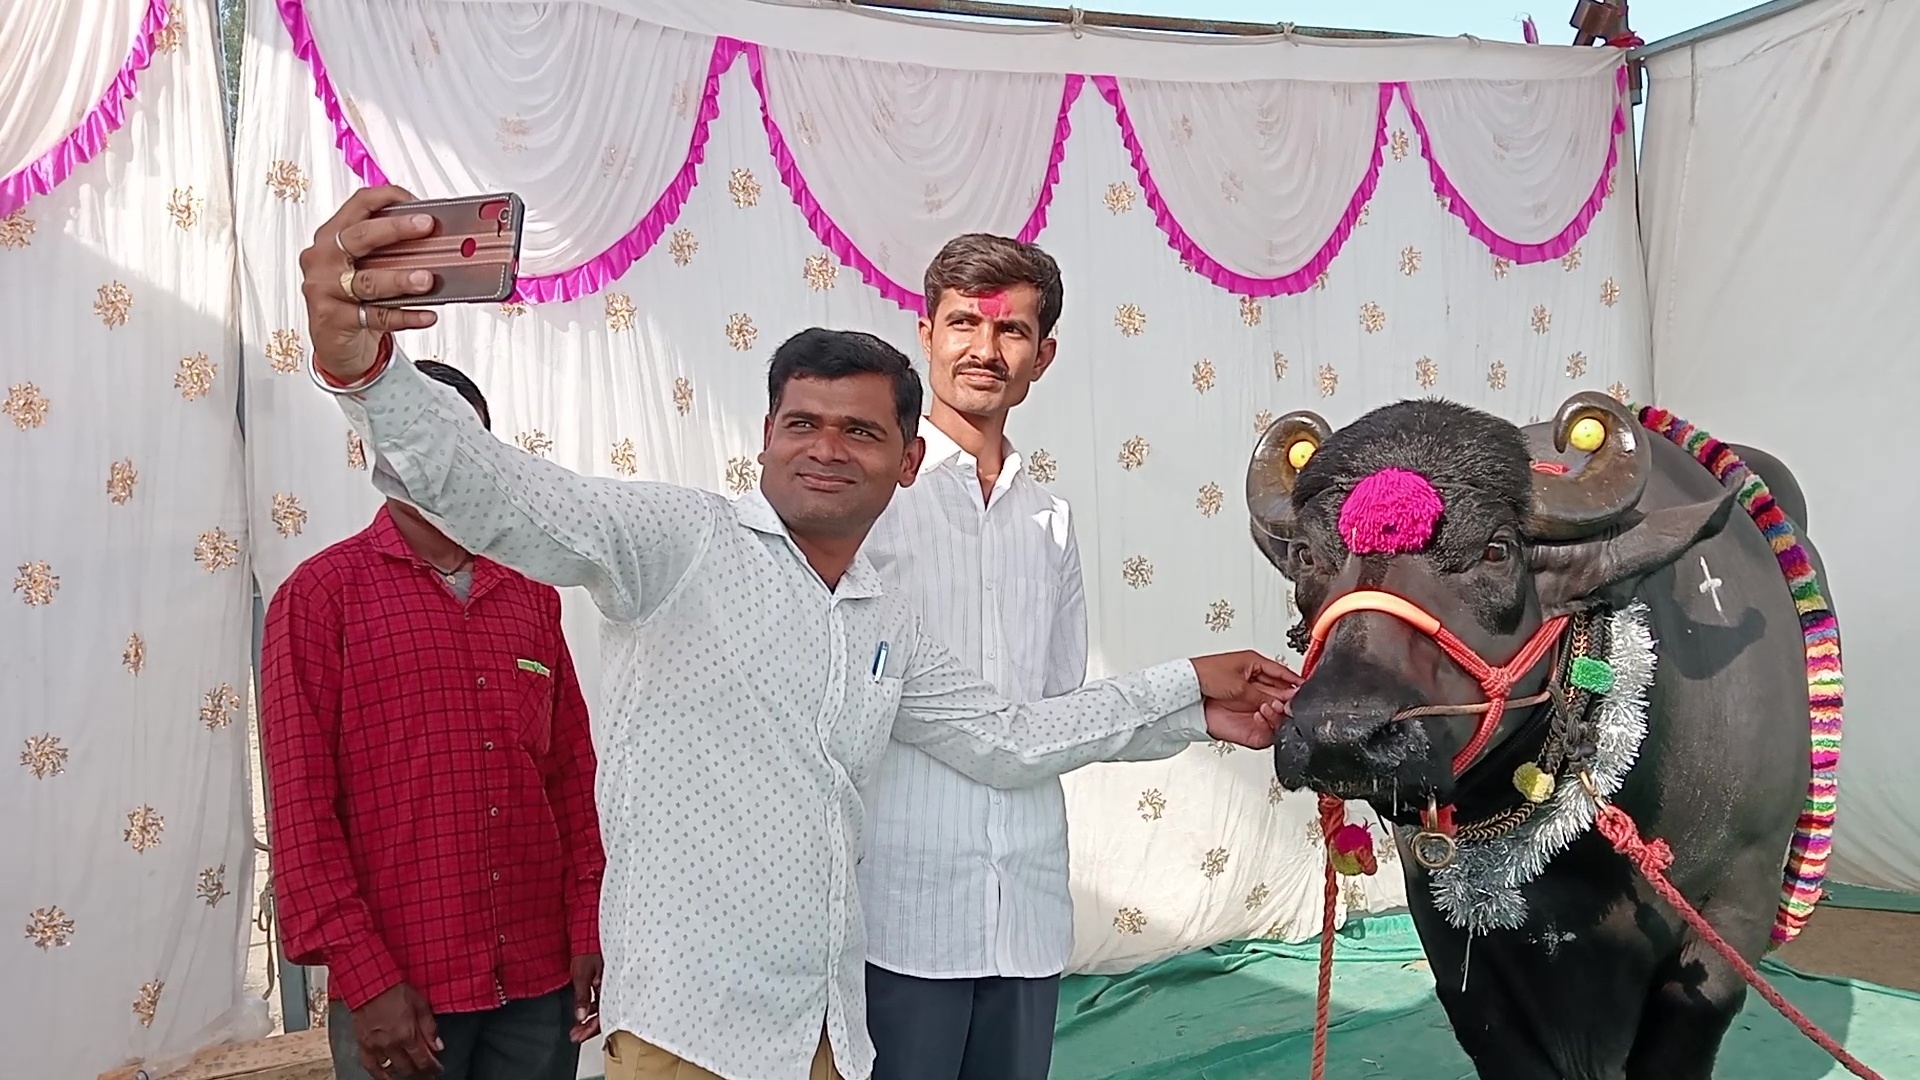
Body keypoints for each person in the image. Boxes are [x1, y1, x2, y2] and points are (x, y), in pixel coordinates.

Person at [297, 186, 1301, 1080]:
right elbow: (502, 494)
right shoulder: (680, 544)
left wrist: (1194, 698)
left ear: (905, 463)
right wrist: (366, 370)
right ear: (765, 441)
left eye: (859, 431)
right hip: (690, 1040)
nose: (827, 448)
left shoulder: (885, 617)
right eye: (803, 424)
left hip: (831, 1035)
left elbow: (1012, 735)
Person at [858, 234, 1163, 1080]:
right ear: (925, 334)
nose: (984, 351)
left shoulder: (1049, 520)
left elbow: (1062, 709)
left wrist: (1205, 712)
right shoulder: (876, 498)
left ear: (1044, 356)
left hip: (1025, 906)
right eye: (963, 323)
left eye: (1012, 332)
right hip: (901, 908)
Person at [260, 359, 605, 1080]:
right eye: (414, 444)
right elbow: (301, 811)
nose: (440, 466)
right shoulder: (322, 597)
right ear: (377, 451)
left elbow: (572, 777)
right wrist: (364, 976)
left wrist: (589, 925)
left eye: (462, 446)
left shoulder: (532, 595)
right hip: (403, 989)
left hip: (539, 982)